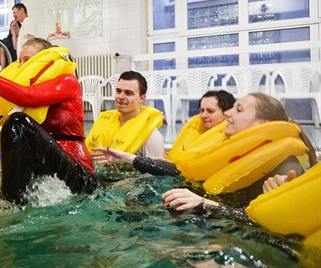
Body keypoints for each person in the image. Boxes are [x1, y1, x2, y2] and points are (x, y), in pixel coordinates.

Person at [0, 38, 97, 203]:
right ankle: (6, 201)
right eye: (19, 60)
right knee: (13, 123)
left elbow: (28, 96)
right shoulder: (20, 88)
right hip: (45, 171)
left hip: (79, 175)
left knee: (18, 123)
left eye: (27, 60)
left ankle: (6, 206)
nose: (21, 66)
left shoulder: (68, 82)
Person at [162, 92, 317, 212]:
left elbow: (265, 226)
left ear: (261, 125)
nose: (228, 113)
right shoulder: (235, 153)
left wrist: (205, 204)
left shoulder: (286, 172)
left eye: (239, 110)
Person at [92, 90, 235, 176]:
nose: (203, 115)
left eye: (210, 111)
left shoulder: (229, 143)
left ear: (227, 113)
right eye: (202, 110)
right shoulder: (197, 134)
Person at [87, 71, 165, 159]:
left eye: (128, 93)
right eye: (118, 91)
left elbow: (156, 170)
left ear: (142, 98)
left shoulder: (152, 137)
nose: (120, 96)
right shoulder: (104, 122)